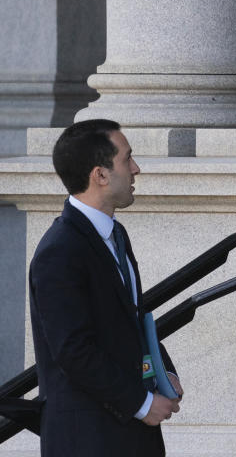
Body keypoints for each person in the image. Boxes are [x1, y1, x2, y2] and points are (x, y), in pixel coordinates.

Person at [29, 119, 183, 457]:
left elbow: (131, 317)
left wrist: (163, 372)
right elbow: (73, 351)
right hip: (88, 437)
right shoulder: (60, 250)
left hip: (128, 433)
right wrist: (142, 404)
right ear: (100, 175)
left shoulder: (116, 235)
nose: (136, 169)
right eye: (127, 159)